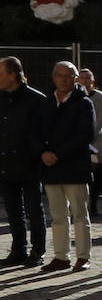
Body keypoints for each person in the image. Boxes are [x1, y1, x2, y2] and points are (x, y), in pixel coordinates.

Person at [39, 61, 95, 273]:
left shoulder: (84, 103)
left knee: (80, 214)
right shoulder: (46, 103)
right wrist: (42, 152)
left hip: (75, 167)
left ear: (75, 79)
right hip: (51, 168)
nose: (64, 79)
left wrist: (58, 154)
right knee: (58, 215)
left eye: (68, 76)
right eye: (60, 75)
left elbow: (85, 135)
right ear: (54, 78)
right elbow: (34, 132)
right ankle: (61, 257)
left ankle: (83, 256)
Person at [0, 56, 47, 268]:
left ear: (13, 75)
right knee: (12, 210)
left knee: (33, 209)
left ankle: (38, 250)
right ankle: (18, 249)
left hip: (29, 163)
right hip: (5, 162)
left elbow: (40, 133)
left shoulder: (36, 99)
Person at [77, 67, 102, 217]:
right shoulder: (74, 96)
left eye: (88, 78)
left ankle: (93, 203)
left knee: (96, 176)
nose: (85, 81)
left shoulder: (99, 97)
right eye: (82, 78)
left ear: (93, 81)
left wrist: (88, 137)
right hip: (77, 141)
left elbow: (100, 119)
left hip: (95, 140)